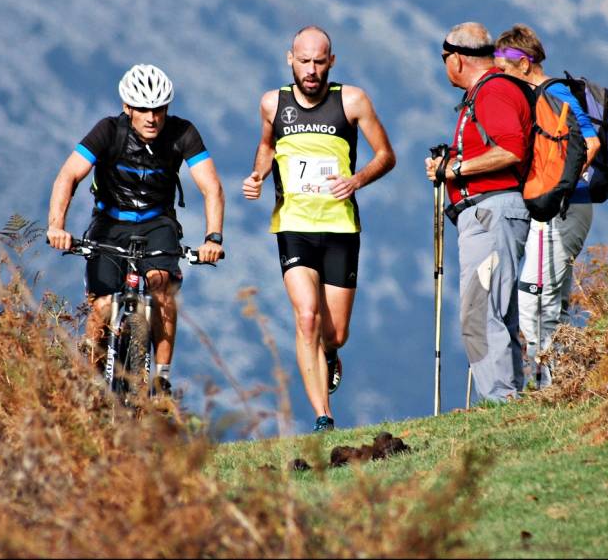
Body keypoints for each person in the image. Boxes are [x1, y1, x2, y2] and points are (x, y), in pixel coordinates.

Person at [242, 26, 396, 432]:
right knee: (306, 317)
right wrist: (258, 175)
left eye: (319, 62)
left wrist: (357, 180)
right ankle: (323, 416)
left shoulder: (352, 100)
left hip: (340, 227)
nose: (311, 70)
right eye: (304, 61)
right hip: (293, 225)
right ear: (290, 59)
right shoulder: (273, 103)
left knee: (335, 332)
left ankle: (329, 354)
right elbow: (267, 146)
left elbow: (386, 155)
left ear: (332, 62)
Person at [47, 64, 225, 393]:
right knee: (102, 306)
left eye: (159, 109)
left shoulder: (183, 133)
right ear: (127, 107)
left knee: (162, 288)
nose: (151, 118)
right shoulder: (107, 131)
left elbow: (211, 187)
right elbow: (68, 176)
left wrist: (213, 238)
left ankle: (161, 380)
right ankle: (92, 382)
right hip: (110, 223)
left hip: (157, 223)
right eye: (143, 109)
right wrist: (56, 227)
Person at [424, 22, 532, 402]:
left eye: (444, 58)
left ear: (456, 59)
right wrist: (452, 161)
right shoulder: (489, 91)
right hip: (493, 213)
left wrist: (455, 169)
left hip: (490, 213)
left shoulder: (492, 91)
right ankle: (512, 399)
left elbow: (512, 148)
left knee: (479, 312)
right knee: (496, 310)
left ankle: (502, 399)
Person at [494, 25, 600, 388]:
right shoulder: (544, 95)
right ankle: (566, 384)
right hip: (563, 208)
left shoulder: (552, 93)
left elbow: (591, 142)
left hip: (562, 210)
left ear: (524, 64)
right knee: (552, 303)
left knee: (535, 302)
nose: (502, 78)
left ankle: (554, 388)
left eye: (505, 69)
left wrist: (558, 187)